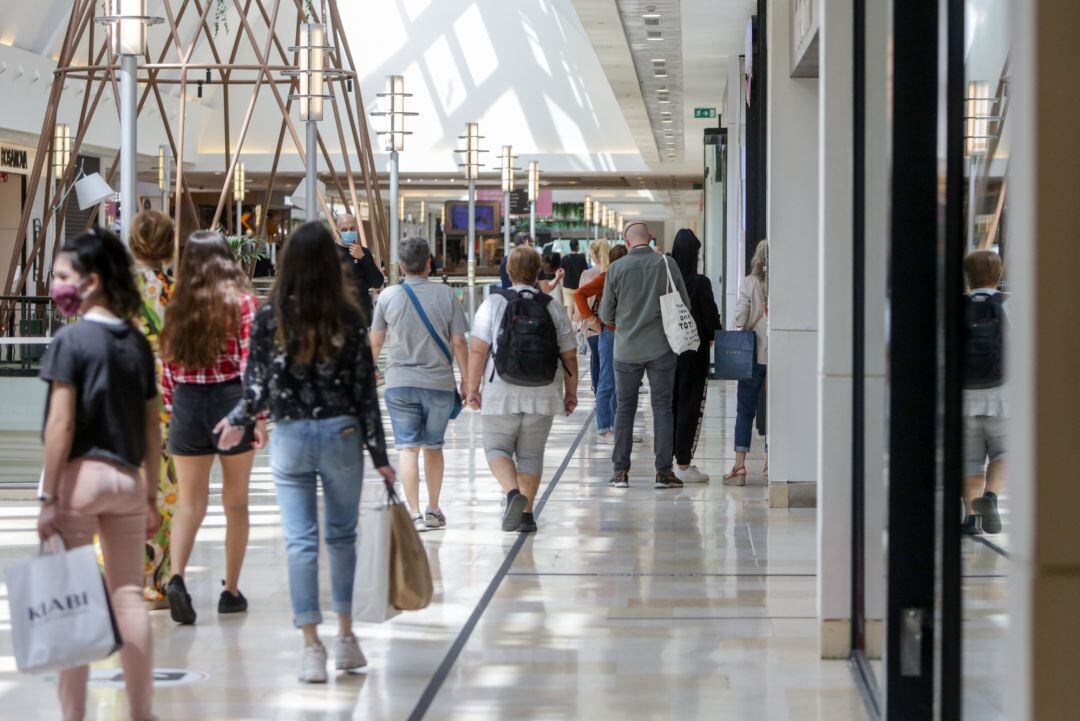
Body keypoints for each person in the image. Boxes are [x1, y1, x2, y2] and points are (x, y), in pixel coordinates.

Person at [215, 221, 394, 683]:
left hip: (291, 436)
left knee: (300, 542)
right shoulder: (349, 316)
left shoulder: (270, 316)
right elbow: (364, 392)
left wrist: (237, 420)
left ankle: (311, 646)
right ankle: (347, 638)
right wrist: (380, 455)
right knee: (340, 538)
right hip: (341, 434)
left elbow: (257, 383)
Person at [37, 228, 160, 721]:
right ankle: (141, 712)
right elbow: (153, 428)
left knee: (72, 600)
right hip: (129, 480)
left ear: (89, 282)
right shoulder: (136, 341)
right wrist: (150, 494)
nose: (56, 284)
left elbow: (60, 424)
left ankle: (74, 715)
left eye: (63, 275)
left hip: (79, 482)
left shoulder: (70, 341)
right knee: (128, 594)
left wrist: (47, 495)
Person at [160, 231, 267, 625]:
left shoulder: (178, 306)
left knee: (190, 503)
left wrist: (175, 409)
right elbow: (250, 365)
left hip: (187, 402)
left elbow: (168, 365)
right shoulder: (243, 303)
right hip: (231, 402)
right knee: (235, 503)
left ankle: (177, 578)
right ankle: (231, 592)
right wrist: (256, 416)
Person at [466, 246, 578, 534]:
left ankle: (512, 493)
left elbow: (478, 350)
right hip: (543, 391)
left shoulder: (494, 303)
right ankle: (526, 516)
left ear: (508, 271)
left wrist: (472, 388)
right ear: (538, 271)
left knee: (496, 447)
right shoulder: (551, 305)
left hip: (501, 390)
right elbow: (569, 355)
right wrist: (570, 393)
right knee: (531, 454)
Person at [370, 237, 469, 530]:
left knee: (407, 449)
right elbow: (460, 342)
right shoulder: (447, 295)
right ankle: (433, 508)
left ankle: (413, 513)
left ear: (401, 266)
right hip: (439, 383)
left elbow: (375, 341)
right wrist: (467, 382)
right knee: (433, 446)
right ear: (429, 263)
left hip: (399, 384)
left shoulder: (387, 296)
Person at [599, 221, 691, 489]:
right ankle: (663, 472)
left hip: (626, 350)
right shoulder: (666, 264)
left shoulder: (616, 268)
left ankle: (621, 472)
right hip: (662, 349)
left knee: (625, 409)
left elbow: (605, 314)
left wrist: (626, 323)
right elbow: (684, 303)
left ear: (627, 243)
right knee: (662, 408)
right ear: (650, 239)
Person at [129, 209, 178, 605]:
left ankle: (116, 572)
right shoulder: (177, 292)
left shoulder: (112, 291)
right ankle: (158, 579)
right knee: (165, 488)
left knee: (118, 481)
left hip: (122, 397)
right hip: (169, 402)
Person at [960, 249, 1008, 535]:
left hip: (964, 398)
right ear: (998, 274)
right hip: (1004, 399)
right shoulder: (1012, 305)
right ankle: (990, 497)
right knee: (1005, 452)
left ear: (968, 276)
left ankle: (970, 518)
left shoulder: (957, 307)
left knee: (969, 459)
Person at [669, 230, 722, 483]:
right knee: (690, 404)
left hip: (668, 350)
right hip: (695, 352)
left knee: (668, 403)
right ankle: (683, 461)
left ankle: (665, 460)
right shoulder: (700, 283)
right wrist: (715, 334)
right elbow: (710, 317)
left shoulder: (666, 280)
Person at [726, 240, 769, 485]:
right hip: (777, 356)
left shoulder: (749, 282)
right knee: (775, 411)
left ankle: (740, 465)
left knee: (745, 411)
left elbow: (740, 319)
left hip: (752, 355)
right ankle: (770, 462)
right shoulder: (784, 284)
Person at [575, 243, 628, 440]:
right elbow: (578, 294)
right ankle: (604, 425)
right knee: (607, 379)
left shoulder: (625, 278)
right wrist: (591, 320)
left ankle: (616, 426)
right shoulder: (605, 277)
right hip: (609, 333)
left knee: (618, 381)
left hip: (621, 334)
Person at [336, 213, 385, 323]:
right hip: (339, 317)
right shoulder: (330, 253)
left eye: (352, 228)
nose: (349, 232)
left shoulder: (364, 252)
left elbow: (377, 282)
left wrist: (362, 257)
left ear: (356, 229)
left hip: (362, 316)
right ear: (338, 232)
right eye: (344, 229)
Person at [576, 239, 611, 392]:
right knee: (609, 361)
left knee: (596, 358)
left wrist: (581, 321)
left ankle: (598, 392)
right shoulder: (614, 271)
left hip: (592, 324)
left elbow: (580, 298)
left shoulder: (587, 274)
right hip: (611, 324)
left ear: (594, 254)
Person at [559, 238, 589, 316]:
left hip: (567, 286)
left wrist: (562, 285)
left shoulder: (564, 259)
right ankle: (575, 326)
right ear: (577, 246)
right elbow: (585, 273)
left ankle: (570, 326)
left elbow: (561, 273)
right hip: (578, 287)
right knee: (577, 308)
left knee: (569, 308)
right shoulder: (582, 258)